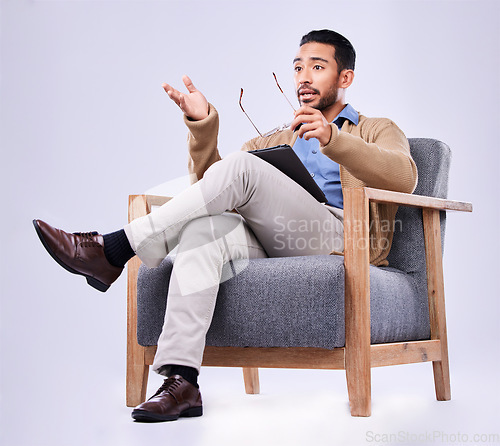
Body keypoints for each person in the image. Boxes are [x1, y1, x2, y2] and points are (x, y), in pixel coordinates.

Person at [33, 29, 418, 423]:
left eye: (318, 67)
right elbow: (210, 190)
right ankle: (182, 381)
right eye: (299, 67)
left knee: (242, 167)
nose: (304, 77)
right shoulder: (274, 139)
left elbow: (405, 176)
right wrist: (202, 125)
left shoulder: (375, 128)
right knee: (206, 230)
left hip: (340, 239)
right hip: (273, 241)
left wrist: (334, 139)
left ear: (344, 78)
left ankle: (112, 248)